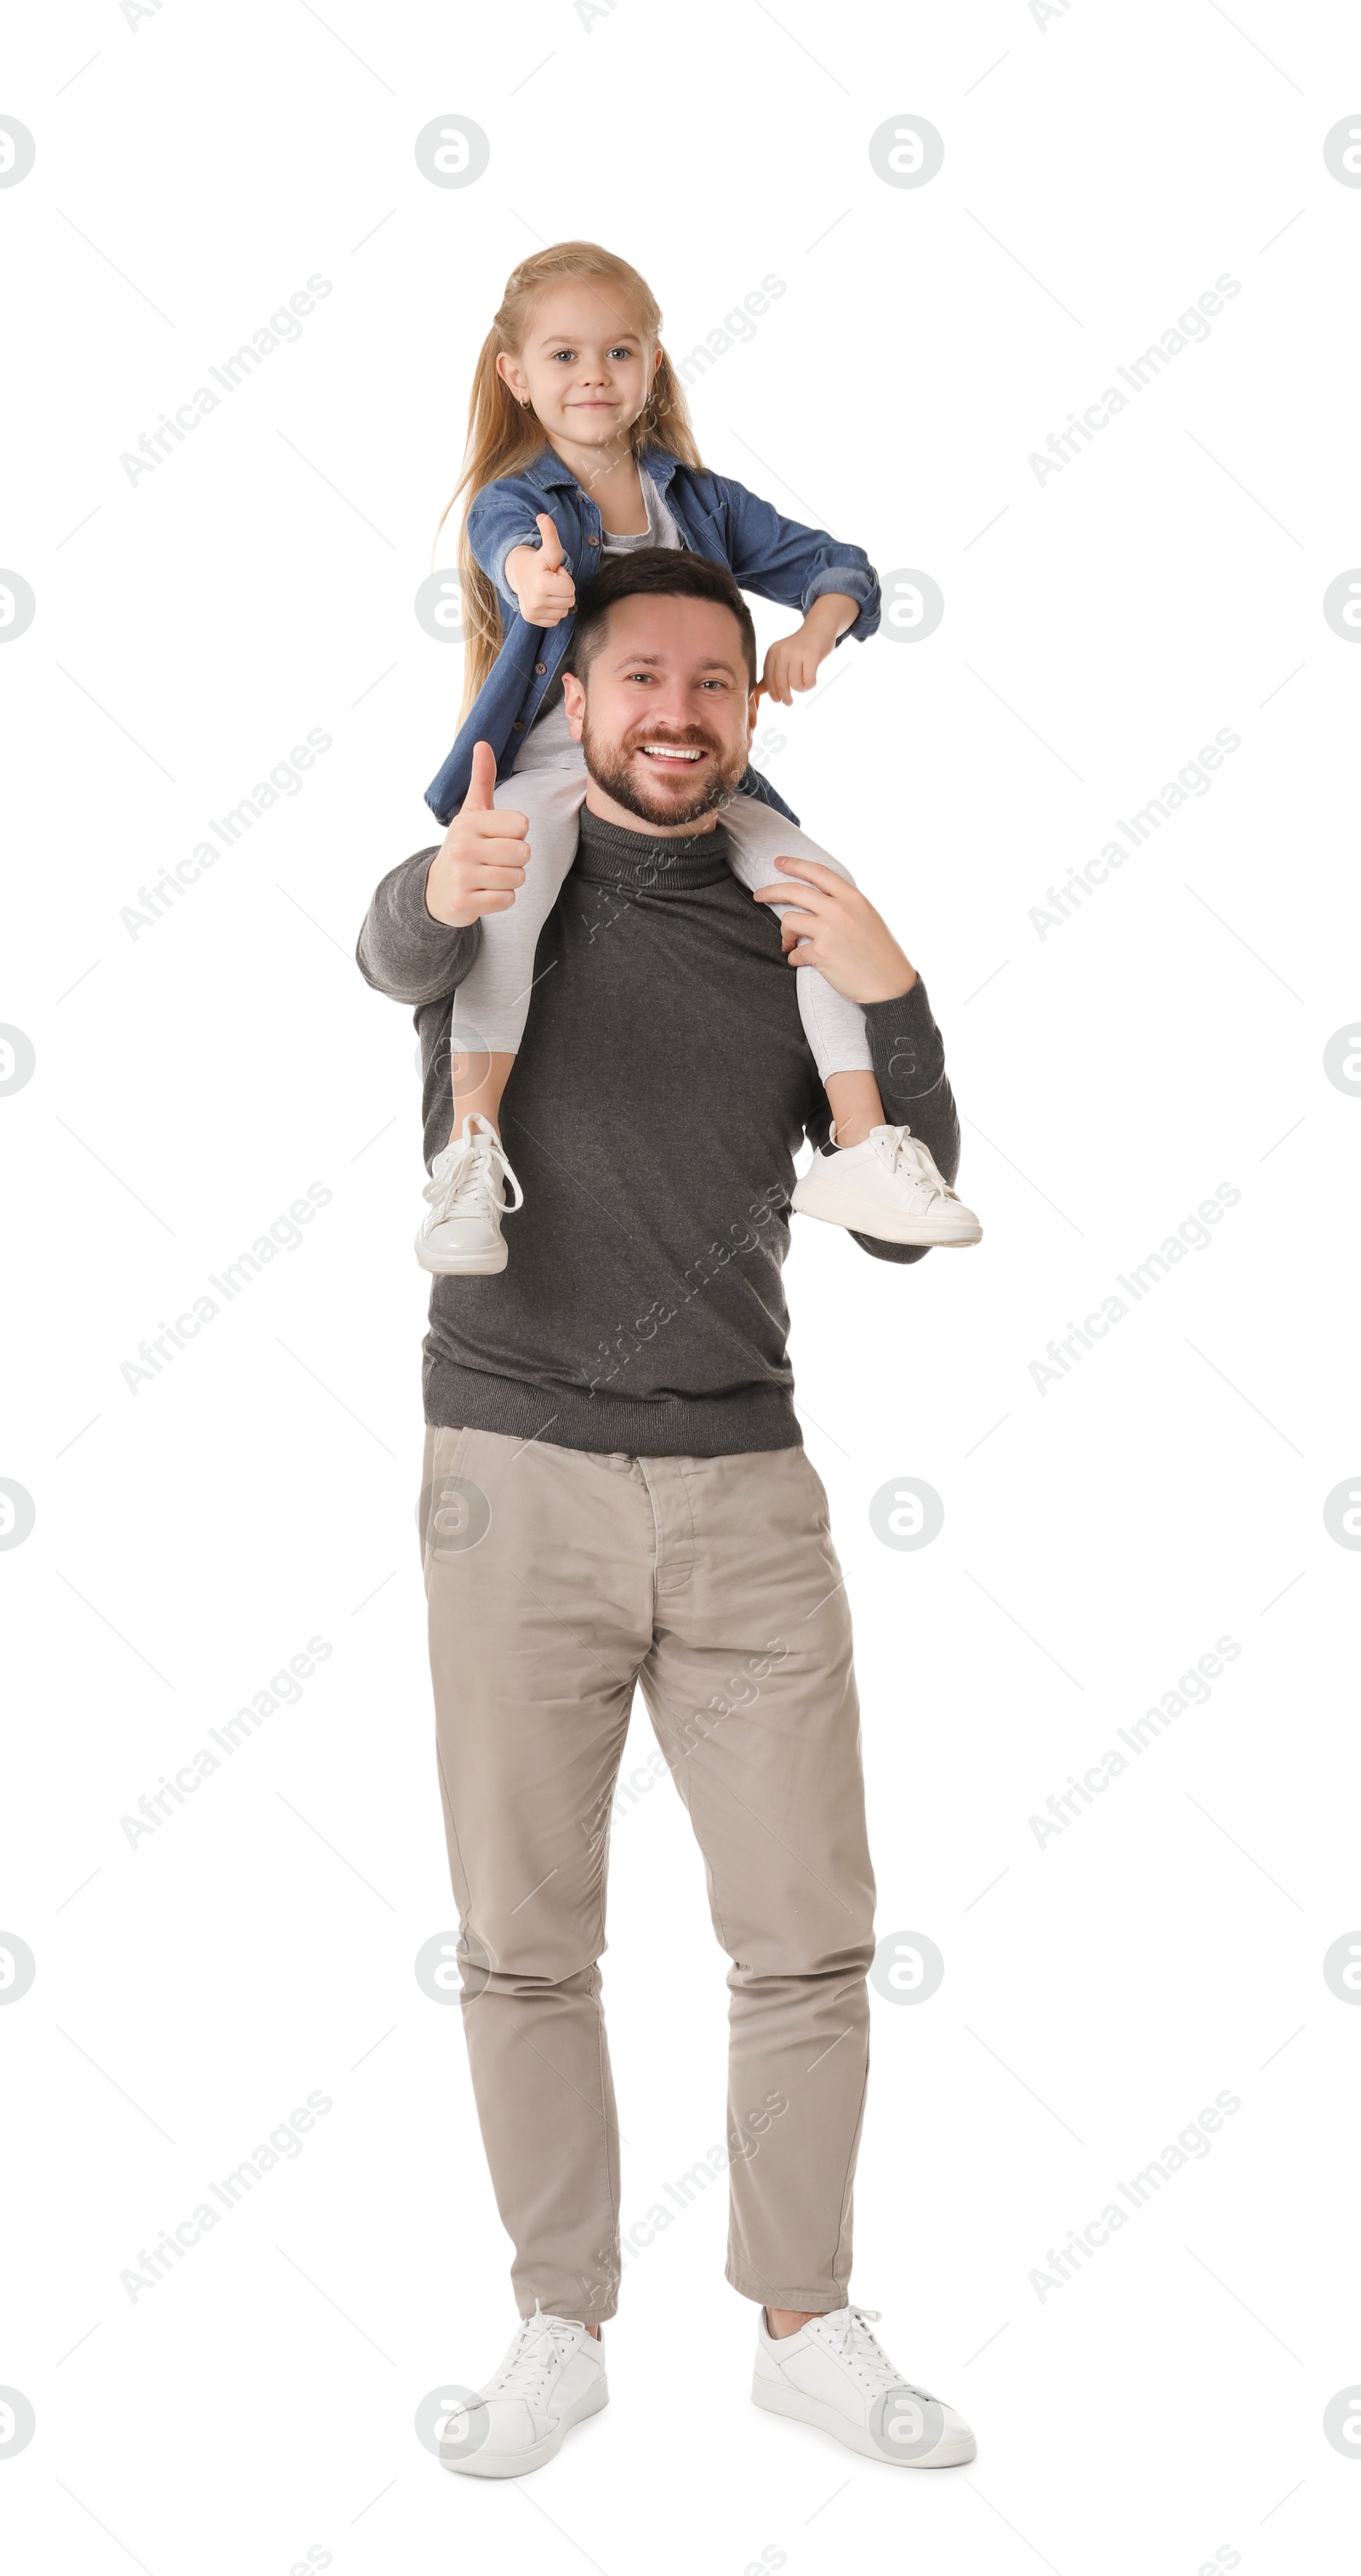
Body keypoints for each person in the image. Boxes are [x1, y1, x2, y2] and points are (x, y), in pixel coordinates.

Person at [357, 550, 978, 2479]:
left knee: (805, 1930)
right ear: (582, 691)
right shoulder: (503, 868)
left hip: (742, 1481)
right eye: (642, 676)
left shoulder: (790, 904)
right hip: (509, 1472)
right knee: (521, 1936)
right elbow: (392, 948)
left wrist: (893, 984)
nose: (681, 709)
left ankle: (803, 2317)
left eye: (717, 678)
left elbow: (907, 1198)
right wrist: (421, 890)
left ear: (750, 702)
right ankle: (559, 2320)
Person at [412, 236, 981, 1271]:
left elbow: (838, 566)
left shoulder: (699, 500)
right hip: (552, 766)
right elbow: (506, 546)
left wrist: (813, 630)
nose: (593, 376)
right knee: (507, 899)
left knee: (818, 887)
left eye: (619, 353)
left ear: (652, 367)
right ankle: (467, 1152)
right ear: (515, 376)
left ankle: (860, 1144)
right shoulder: (521, 500)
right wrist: (531, 583)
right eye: (564, 357)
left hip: (689, 775)